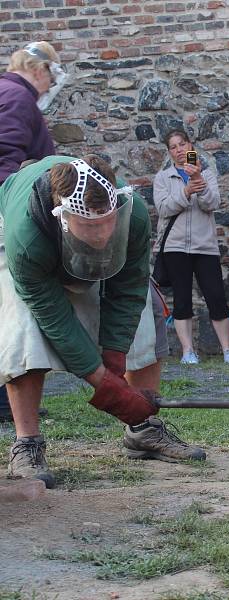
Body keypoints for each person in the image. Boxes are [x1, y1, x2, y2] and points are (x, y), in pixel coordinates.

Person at [1, 155, 206, 489]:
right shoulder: (27, 237)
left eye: (106, 223)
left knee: (147, 313)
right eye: (89, 226)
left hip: (78, 234)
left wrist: (114, 358)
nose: (99, 235)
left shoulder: (133, 213)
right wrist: (103, 381)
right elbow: (53, 314)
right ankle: (27, 443)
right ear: (64, 217)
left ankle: (143, 428)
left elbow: (128, 289)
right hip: (12, 235)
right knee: (24, 329)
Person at [0, 41, 63, 422]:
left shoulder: (10, 94)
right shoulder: (16, 98)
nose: (51, 83)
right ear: (39, 70)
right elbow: (4, 163)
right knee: (12, 311)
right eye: (50, 74)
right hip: (6, 217)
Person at [152, 130, 229, 365]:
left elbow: (212, 204)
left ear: (190, 145)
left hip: (204, 246)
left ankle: (228, 351)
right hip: (175, 247)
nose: (179, 149)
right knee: (182, 301)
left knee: (216, 297)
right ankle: (188, 351)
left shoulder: (206, 173)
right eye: (174, 146)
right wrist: (186, 191)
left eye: (183, 144)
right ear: (169, 152)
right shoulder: (163, 178)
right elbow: (163, 209)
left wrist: (198, 182)